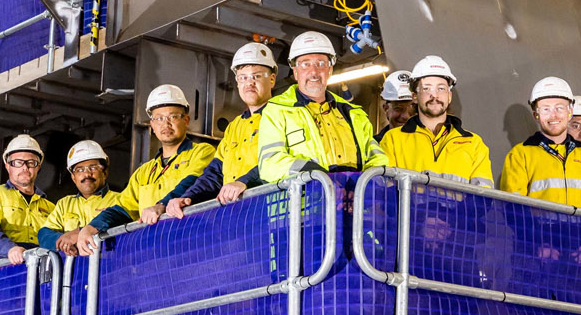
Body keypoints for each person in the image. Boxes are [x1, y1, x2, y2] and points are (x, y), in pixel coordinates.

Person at [159, 44, 275, 219]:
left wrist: (244, 182)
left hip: (270, 211)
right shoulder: (235, 127)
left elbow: (280, 159)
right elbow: (214, 173)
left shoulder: (283, 115)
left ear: (272, 79)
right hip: (235, 216)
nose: (249, 83)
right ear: (237, 83)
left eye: (256, 76)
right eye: (243, 77)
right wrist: (187, 197)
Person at [256, 31, 387, 182]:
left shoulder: (352, 113)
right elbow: (270, 165)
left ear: (330, 70)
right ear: (295, 72)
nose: (314, 72)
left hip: (354, 202)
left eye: (321, 64)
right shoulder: (277, 111)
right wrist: (316, 176)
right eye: (305, 64)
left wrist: (363, 187)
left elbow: (377, 159)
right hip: (305, 202)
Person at [500, 78, 581, 213]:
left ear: (570, 112)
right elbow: (513, 208)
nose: (553, 115)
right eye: (545, 109)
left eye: (559, 108)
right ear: (536, 115)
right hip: (539, 234)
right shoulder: (520, 155)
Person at [378, 55, 493, 185]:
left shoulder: (474, 144)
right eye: (426, 88)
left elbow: (483, 198)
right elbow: (385, 193)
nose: (434, 96)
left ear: (449, 96)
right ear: (415, 96)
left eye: (441, 88)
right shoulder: (392, 140)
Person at [129, 85, 218, 223]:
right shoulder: (143, 173)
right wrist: (93, 227)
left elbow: (193, 183)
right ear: (152, 125)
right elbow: (122, 206)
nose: (166, 124)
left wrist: (162, 205)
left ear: (186, 120)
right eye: (159, 118)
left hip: (189, 235)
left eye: (173, 117)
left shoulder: (202, 152)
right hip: (153, 242)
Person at [37, 141, 134, 255]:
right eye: (80, 170)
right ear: (73, 177)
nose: (87, 174)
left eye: (93, 168)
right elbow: (44, 234)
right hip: (73, 270)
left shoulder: (121, 199)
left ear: (105, 172)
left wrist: (79, 233)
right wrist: (65, 241)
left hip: (110, 267)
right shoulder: (64, 204)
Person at [0, 134, 54, 266]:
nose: (25, 168)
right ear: (8, 166)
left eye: (31, 163)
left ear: (38, 167)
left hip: (39, 265)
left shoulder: (50, 207)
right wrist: (9, 249)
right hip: (2, 265)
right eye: (18, 162)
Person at [378, 70, 415, 137]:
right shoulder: (374, 146)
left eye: (412, 109)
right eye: (398, 108)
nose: (406, 116)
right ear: (386, 108)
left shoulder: (433, 145)